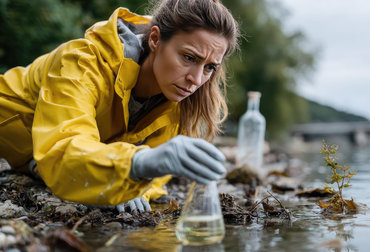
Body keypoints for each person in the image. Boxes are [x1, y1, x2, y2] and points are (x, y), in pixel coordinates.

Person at [0, 0, 240, 212]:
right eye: (189, 57)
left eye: (209, 67)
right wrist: (136, 163)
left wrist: (136, 187)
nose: (197, 80)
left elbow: (155, 178)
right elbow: (64, 147)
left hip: (45, 158)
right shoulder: (82, 62)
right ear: (155, 39)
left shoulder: (178, 100)